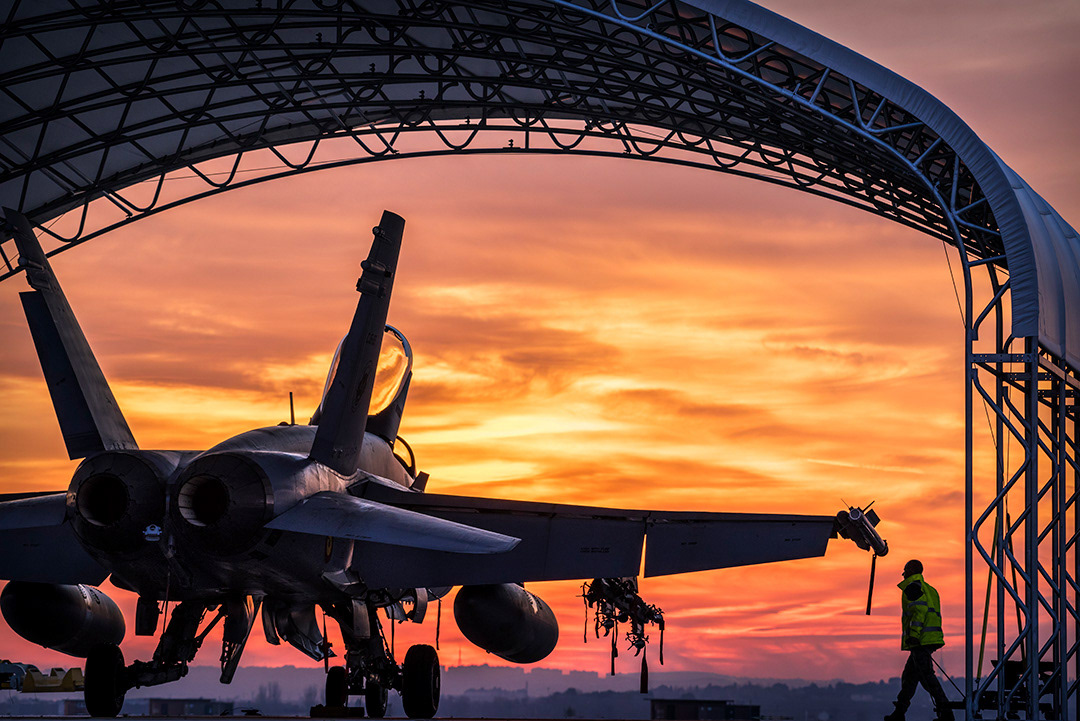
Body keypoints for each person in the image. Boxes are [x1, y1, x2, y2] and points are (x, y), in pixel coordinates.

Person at [885, 560, 953, 721]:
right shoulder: (929, 589)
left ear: (912, 570)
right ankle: (899, 712)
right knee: (910, 676)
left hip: (921, 640)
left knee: (926, 676)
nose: (903, 573)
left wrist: (914, 635)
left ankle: (946, 713)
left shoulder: (913, 587)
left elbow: (919, 611)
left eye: (905, 569)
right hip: (929, 639)